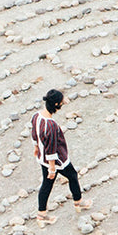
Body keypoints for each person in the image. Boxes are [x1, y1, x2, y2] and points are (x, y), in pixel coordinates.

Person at [30, 89, 91, 227]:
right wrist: (52, 167)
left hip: (42, 157)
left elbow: (34, 133)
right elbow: (51, 147)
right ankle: (78, 202)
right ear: (56, 104)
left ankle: (42, 214)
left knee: (47, 185)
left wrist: (35, 147)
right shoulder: (50, 125)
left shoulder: (36, 116)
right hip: (57, 161)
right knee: (72, 176)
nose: (63, 104)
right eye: (61, 102)